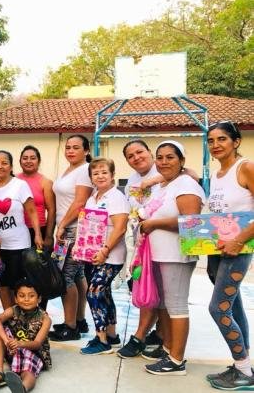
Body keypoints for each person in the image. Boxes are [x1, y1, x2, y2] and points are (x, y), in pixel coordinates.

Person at [140, 140, 204, 376]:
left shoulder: (186, 184)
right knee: (165, 305)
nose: (164, 162)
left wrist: (153, 223)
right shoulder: (165, 185)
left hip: (176, 255)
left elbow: (191, 221)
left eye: (170, 157)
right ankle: (168, 348)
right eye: (160, 157)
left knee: (177, 306)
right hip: (159, 255)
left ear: (182, 161)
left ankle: (176, 361)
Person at [204, 122, 254, 390]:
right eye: (211, 140)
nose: (216, 145)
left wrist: (238, 240)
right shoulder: (217, 173)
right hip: (217, 250)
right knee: (233, 306)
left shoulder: (246, 167)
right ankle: (242, 366)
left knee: (217, 308)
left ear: (236, 141)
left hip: (239, 250)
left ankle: (244, 372)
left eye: (222, 139)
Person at [117, 140, 164, 358]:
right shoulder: (131, 181)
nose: (136, 157)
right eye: (130, 155)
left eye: (140, 152)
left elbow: (187, 173)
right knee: (147, 288)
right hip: (141, 241)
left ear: (150, 152)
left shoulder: (163, 167)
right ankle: (158, 333)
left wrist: (154, 179)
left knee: (163, 291)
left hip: (164, 239)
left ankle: (140, 336)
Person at [79, 158, 129, 355]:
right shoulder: (93, 198)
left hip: (111, 256)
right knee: (104, 293)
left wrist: (105, 250)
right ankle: (111, 335)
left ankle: (102, 341)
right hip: (94, 255)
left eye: (104, 172)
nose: (99, 176)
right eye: (95, 173)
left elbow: (120, 228)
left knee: (93, 293)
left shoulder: (116, 197)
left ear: (112, 175)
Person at [48, 135, 93, 341]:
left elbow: (80, 202)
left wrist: (62, 225)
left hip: (73, 229)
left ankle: (71, 326)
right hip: (68, 227)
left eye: (76, 147)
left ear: (86, 150)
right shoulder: (71, 169)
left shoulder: (84, 170)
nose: (70, 151)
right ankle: (80, 320)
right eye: (68, 147)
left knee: (66, 275)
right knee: (78, 275)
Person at [0, 151, 43, 312]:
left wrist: (38, 235)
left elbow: (32, 212)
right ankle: (9, 317)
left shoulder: (19, 185)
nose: (0, 166)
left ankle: (22, 316)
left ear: (11, 166)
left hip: (19, 244)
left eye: (4, 162)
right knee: (2, 283)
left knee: (19, 284)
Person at [0, 279, 51, 393]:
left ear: (39, 299)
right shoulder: (13, 310)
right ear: (15, 298)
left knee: (28, 372)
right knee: (0, 334)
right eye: (21, 295)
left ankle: (23, 388)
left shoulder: (45, 319)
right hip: (13, 349)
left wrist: (20, 343)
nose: (26, 299)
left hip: (33, 353)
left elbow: (37, 344)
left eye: (31, 296)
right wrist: (7, 341)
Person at [17, 145, 56, 252]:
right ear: (20, 161)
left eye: (33, 158)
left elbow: (52, 210)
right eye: (25, 158)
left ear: (39, 161)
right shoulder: (14, 180)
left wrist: (48, 236)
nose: (28, 161)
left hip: (38, 231)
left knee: (37, 266)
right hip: (16, 231)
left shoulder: (46, 182)